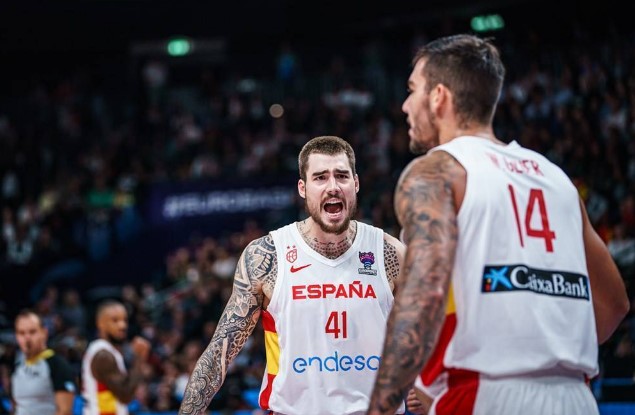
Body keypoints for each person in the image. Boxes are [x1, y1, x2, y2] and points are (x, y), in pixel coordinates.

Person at [367, 34, 630, 415]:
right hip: (575, 396)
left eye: (412, 90)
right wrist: (553, 356)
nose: (405, 105)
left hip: (484, 393)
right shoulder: (554, 177)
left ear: (438, 97)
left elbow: (420, 301)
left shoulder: (437, 171)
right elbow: (615, 304)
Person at [179, 135, 416, 415]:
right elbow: (220, 352)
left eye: (342, 176)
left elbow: (427, 334)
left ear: (356, 183)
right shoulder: (268, 255)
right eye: (320, 177)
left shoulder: (390, 254)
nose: (333, 186)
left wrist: (425, 384)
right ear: (303, 188)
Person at [81, 299, 150, 415]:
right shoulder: (103, 355)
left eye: (125, 320)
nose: (122, 325)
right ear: (100, 323)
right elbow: (125, 395)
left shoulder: (106, 350)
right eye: (115, 320)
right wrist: (139, 357)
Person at [10, 309, 77, 415]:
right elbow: (15, 406)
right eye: (21, 333)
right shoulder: (17, 366)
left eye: (32, 332)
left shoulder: (57, 365)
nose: (27, 338)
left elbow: (65, 411)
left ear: (44, 333)